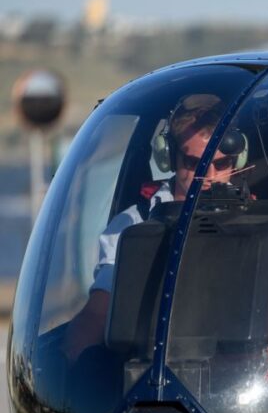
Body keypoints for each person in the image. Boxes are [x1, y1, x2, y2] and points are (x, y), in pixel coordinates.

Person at [61, 93, 248, 361]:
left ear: (238, 161)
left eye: (221, 164)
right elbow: (97, 313)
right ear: (169, 158)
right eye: (194, 164)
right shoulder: (133, 226)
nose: (209, 177)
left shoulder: (258, 220)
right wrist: (80, 363)